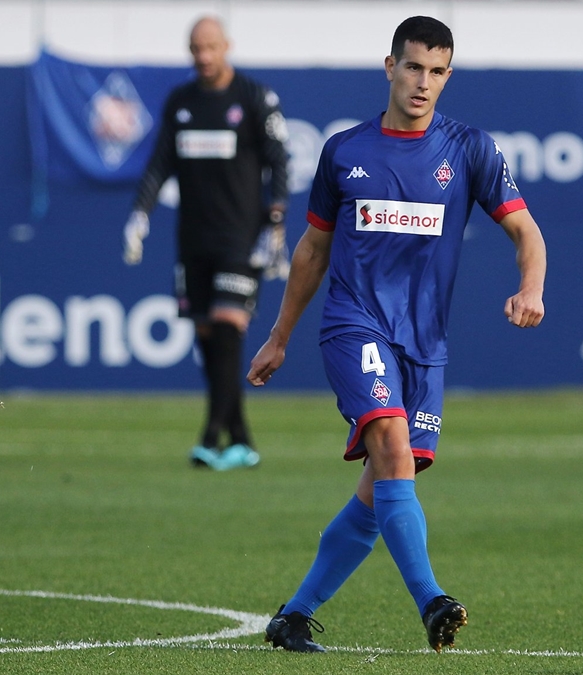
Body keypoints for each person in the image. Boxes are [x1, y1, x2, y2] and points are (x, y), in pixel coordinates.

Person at [246, 16, 546, 653]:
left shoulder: (469, 150)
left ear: (448, 77)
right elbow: (312, 250)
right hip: (353, 322)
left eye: (437, 72)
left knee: (385, 485)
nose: (423, 83)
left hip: (425, 346)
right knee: (388, 441)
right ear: (389, 67)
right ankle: (432, 601)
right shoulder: (346, 151)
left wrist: (532, 288)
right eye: (413, 67)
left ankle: (293, 616)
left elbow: (526, 232)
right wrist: (280, 335)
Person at [123, 16, 291, 471]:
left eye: (211, 47)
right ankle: (240, 439)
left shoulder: (254, 98)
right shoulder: (181, 102)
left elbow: (279, 160)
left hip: (240, 237)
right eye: (196, 49)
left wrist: (275, 219)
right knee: (207, 338)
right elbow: (159, 164)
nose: (203, 57)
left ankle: (208, 436)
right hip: (193, 240)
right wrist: (141, 213)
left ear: (226, 46)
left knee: (227, 327)